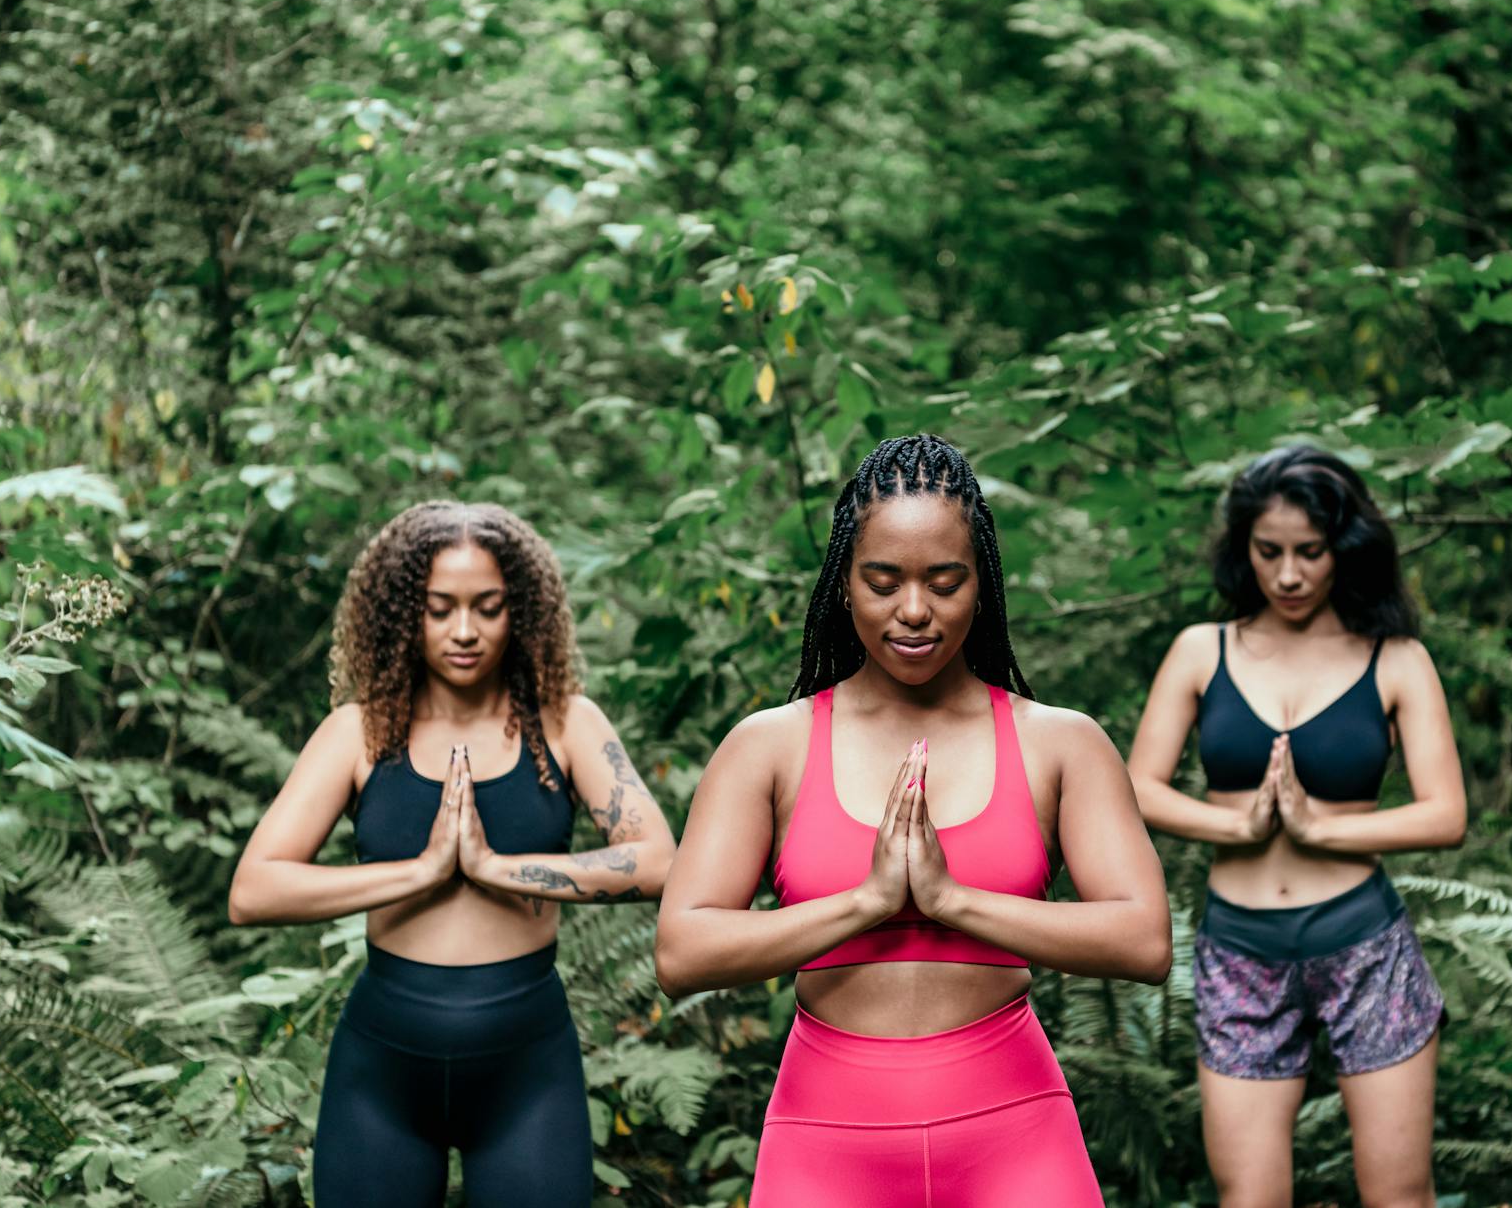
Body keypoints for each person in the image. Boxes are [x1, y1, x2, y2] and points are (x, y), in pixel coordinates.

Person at [655, 434, 1170, 1208]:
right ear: (843, 584)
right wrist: (867, 901)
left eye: (945, 580)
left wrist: (950, 899)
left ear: (982, 583)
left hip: (1016, 1133)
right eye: (883, 581)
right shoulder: (770, 747)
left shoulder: (1060, 743)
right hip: (825, 1142)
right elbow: (682, 949)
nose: (915, 610)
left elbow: (1145, 939)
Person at [227, 501, 677, 1208]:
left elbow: (657, 862)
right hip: (382, 1074)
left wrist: (495, 868)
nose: (464, 631)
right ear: (404, 612)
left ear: (520, 611)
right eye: (439, 609)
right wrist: (423, 871)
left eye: (488, 607)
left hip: (527, 1071)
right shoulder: (359, 731)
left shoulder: (567, 723)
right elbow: (253, 890)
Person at [1127, 446, 1465, 1208]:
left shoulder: (1397, 659)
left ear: (1344, 547)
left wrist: (1318, 829)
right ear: (1243, 548)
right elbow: (1136, 786)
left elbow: (1447, 814)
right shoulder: (1201, 650)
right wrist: (1237, 824)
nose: (1287, 574)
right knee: (1249, 1195)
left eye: (1309, 552)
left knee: (1399, 1194)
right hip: (1238, 949)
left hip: (1365, 945)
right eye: (1268, 550)